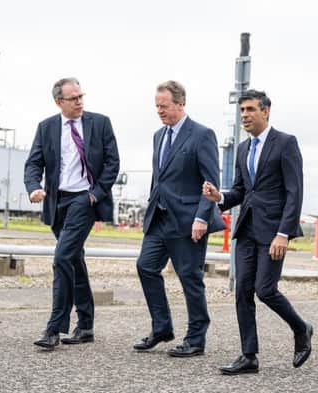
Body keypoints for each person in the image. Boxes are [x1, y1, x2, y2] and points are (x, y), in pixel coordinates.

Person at [202, 89, 312, 375]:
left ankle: (301, 328)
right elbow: (241, 190)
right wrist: (220, 197)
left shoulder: (286, 143)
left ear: (266, 111)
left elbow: (294, 192)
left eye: (250, 109)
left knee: (265, 290)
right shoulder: (242, 149)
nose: (245, 116)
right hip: (247, 229)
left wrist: (283, 233)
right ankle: (248, 355)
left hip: (274, 231)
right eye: (242, 111)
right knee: (242, 292)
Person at [24, 77, 120, 349]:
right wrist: (34, 187)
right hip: (57, 202)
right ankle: (86, 325)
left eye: (81, 96)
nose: (79, 102)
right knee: (74, 260)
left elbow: (112, 162)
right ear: (59, 102)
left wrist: (95, 194)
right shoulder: (47, 128)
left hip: (84, 199)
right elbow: (34, 163)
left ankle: (54, 328)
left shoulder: (100, 123)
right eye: (73, 98)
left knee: (62, 257)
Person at [134, 80, 225, 357]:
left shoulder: (201, 135)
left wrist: (201, 217)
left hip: (188, 220)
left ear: (180, 104)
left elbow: (211, 181)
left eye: (164, 106)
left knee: (190, 277)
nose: (159, 111)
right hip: (159, 218)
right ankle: (162, 327)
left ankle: (196, 338)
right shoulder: (158, 136)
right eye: (157, 106)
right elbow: (158, 179)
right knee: (146, 267)